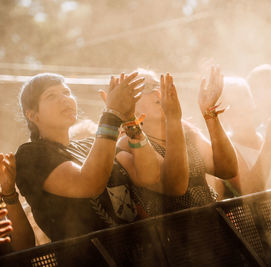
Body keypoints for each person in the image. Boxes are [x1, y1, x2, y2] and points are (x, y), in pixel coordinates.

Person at [15, 72, 165, 241]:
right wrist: (112, 114)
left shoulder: (90, 145)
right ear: (33, 115)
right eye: (51, 96)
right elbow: (89, 183)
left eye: (66, 92)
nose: (65, 99)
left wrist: (130, 121)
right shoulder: (30, 155)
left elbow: (150, 176)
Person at [116, 67, 238, 216]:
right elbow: (176, 186)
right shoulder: (127, 145)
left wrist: (209, 113)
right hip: (172, 235)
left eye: (157, 85)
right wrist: (173, 120)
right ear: (129, 104)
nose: (156, 92)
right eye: (145, 88)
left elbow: (228, 169)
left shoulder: (186, 130)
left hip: (213, 224)